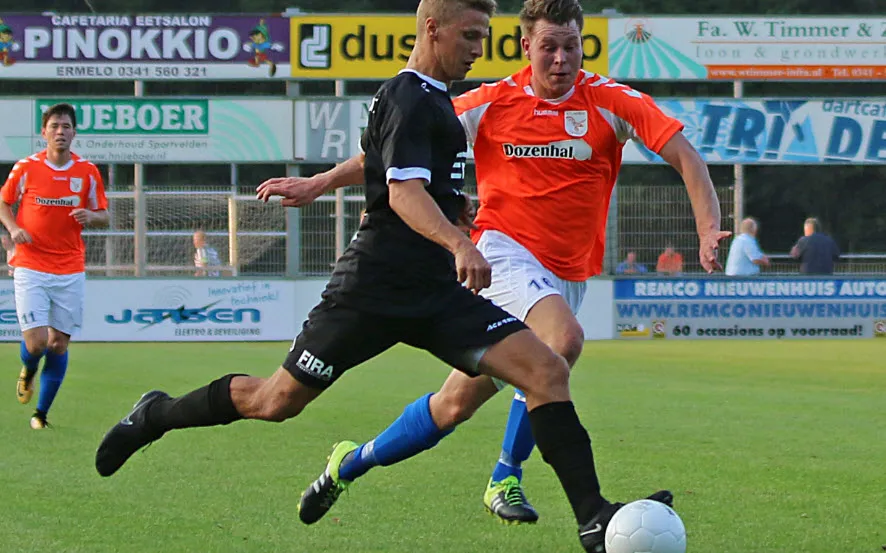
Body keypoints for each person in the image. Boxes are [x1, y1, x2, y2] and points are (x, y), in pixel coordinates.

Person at [94, 2, 670, 551]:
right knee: (276, 400)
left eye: (483, 37)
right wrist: (458, 240)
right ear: (432, 28)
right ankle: (156, 413)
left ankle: (592, 518)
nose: (478, 49)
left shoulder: (439, 102)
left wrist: (437, 204)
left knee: (546, 368)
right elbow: (402, 192)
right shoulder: (406, 95)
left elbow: (398, 171)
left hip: (436, 293)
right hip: (372, 288)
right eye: (470, 35)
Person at [256, 0, 728, 537]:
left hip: (567, 274)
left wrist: (707, 228)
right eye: (548, 47)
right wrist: (319, 182)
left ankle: (349, 464)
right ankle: (507, 477)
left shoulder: (611, 101)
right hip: (501, 254)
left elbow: (686, 156)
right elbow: (389, 151)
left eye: (570, 46)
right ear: (527, 47)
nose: (560, 59)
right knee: (561, 341)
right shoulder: (491, 102)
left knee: (452, 406)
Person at [0, 103, 109, 429]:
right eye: (54, 126)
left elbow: (104, 214)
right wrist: (13, 228)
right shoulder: (27, 167)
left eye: (66, 126)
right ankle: (29, 369)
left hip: (70, 268)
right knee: (37, 343)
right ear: (44, 132)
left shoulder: (87, 171)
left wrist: (91, 216)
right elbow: (4, 202)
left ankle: (41, 414)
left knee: (58, 343)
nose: (60, 131)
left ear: (74, 133)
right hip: (31, 264)